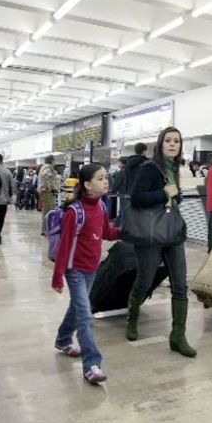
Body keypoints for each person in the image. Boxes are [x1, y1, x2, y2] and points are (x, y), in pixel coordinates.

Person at [126, 126, 196, 358]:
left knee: (180, 284)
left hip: (172, 232)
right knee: (145, 281)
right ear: (160, 143)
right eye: (168, 141)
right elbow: (136, 198)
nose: (173, 144)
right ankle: (132, 320)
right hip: (151, 234)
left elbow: (174, 197)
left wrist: (174, 195)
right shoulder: (150, 168)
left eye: (177, 141)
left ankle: (178, 336)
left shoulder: (176, 167)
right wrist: (165, 193)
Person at [51, 164, 121, 384]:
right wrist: (58, 275)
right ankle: (92, 365)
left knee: (78, 307)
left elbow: (106, 233)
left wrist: (126, 231)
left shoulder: (101, 206)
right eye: (101, 178)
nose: (106, 181)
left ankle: (63, 339)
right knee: (85, 315)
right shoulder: (75, 212)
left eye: (106, 177)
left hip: (92, 269)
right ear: (88, 185)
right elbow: (64, 246)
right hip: (75, 271)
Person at [39, 154, 61, 235]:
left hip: (45, 192)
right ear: (51, 161)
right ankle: (46, 229)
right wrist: (50, 187)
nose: (55, 163)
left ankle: (45, 229)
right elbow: (46, 176)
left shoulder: (44, 167)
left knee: (47, 210)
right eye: (54, 160)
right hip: (47, 192)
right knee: (49, 210)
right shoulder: (47, 168)